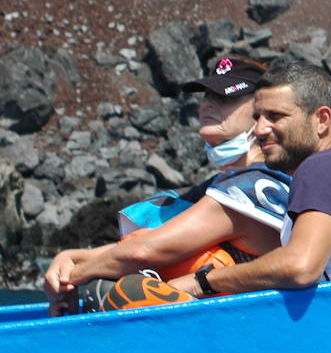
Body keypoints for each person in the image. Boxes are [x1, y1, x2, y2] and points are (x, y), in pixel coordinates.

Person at [43, 58, 292, 316]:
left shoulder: (252, 187)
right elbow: (152, 240)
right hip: (228, 320)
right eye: (207, 96)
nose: (208, 103)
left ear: (262, 110)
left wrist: (71, 277)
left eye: (225, 96)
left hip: (252, 326)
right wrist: (70, 256)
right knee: (106, 284)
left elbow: (144, 251)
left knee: (118, 290)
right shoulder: (221, 185)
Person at [166, 58, 331, 299]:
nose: (260, 130)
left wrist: (204, 282)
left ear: (321, 120)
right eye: (258, 117)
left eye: (275, 116)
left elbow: (301, 266)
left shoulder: (321, 168)